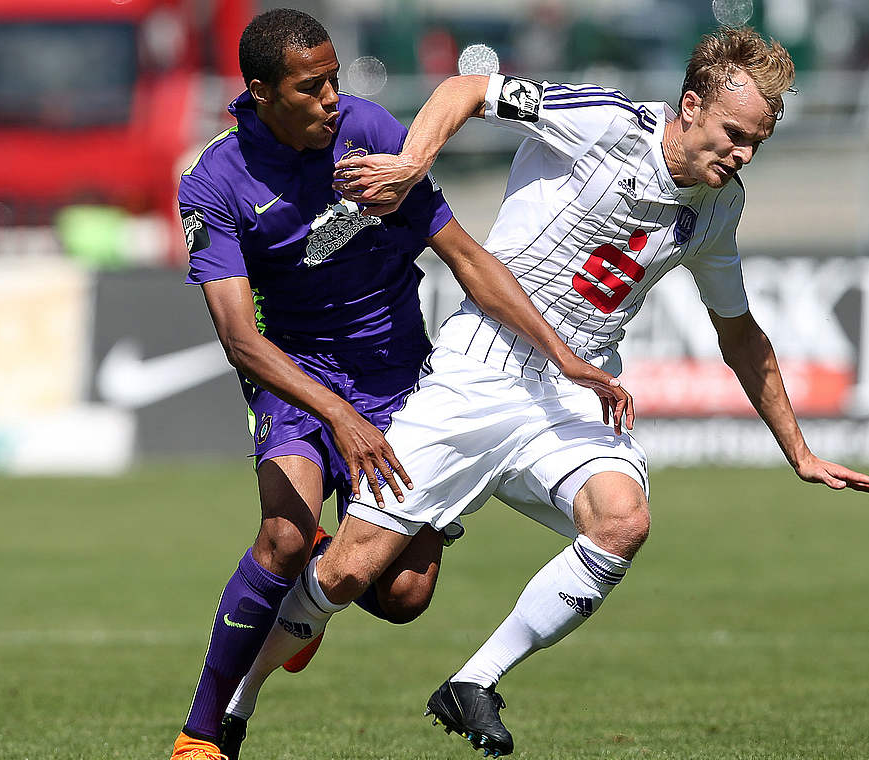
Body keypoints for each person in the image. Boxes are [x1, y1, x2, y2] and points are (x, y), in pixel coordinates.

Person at [233, 26, 869, 757]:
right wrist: (411, 165)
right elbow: (467, 89)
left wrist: (798, 452)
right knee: (362, 575)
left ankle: (473, 683)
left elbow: (741, 336)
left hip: (577, 391)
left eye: (756, 144)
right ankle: (236, 702)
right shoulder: (604, 121)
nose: (740, 155)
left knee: (622, 521)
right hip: (479, 366)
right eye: (734, 134)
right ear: (691, 104)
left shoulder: (717, 209)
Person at [169, 9, 629, 760]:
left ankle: (304, 595)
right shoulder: (214, 181)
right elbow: (239, 339)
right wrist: (339, 418)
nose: (330, 100)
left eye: (334, 81)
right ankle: (202, 733)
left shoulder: (370, 131)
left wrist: (562, 353)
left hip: (396, 376)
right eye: (310, 87)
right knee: (282, 537)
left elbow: (466, 256)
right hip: (294, 375)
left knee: (405, 597)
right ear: (260, 91)